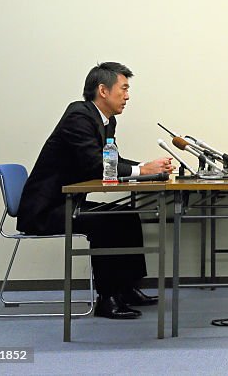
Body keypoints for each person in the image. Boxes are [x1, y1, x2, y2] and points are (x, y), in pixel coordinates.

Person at [17, 62, 174, 319]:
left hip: (69, 203)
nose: (127, 95)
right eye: (123, 89)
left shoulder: (106, 121)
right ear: (103, 90)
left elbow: (112, 163)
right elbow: (95, 165)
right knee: (107, 222)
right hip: (45, 211)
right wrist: (144, 171)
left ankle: (127, 288)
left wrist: (147, 167)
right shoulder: (78, 116)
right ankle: (107, 298)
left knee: (128, 216)